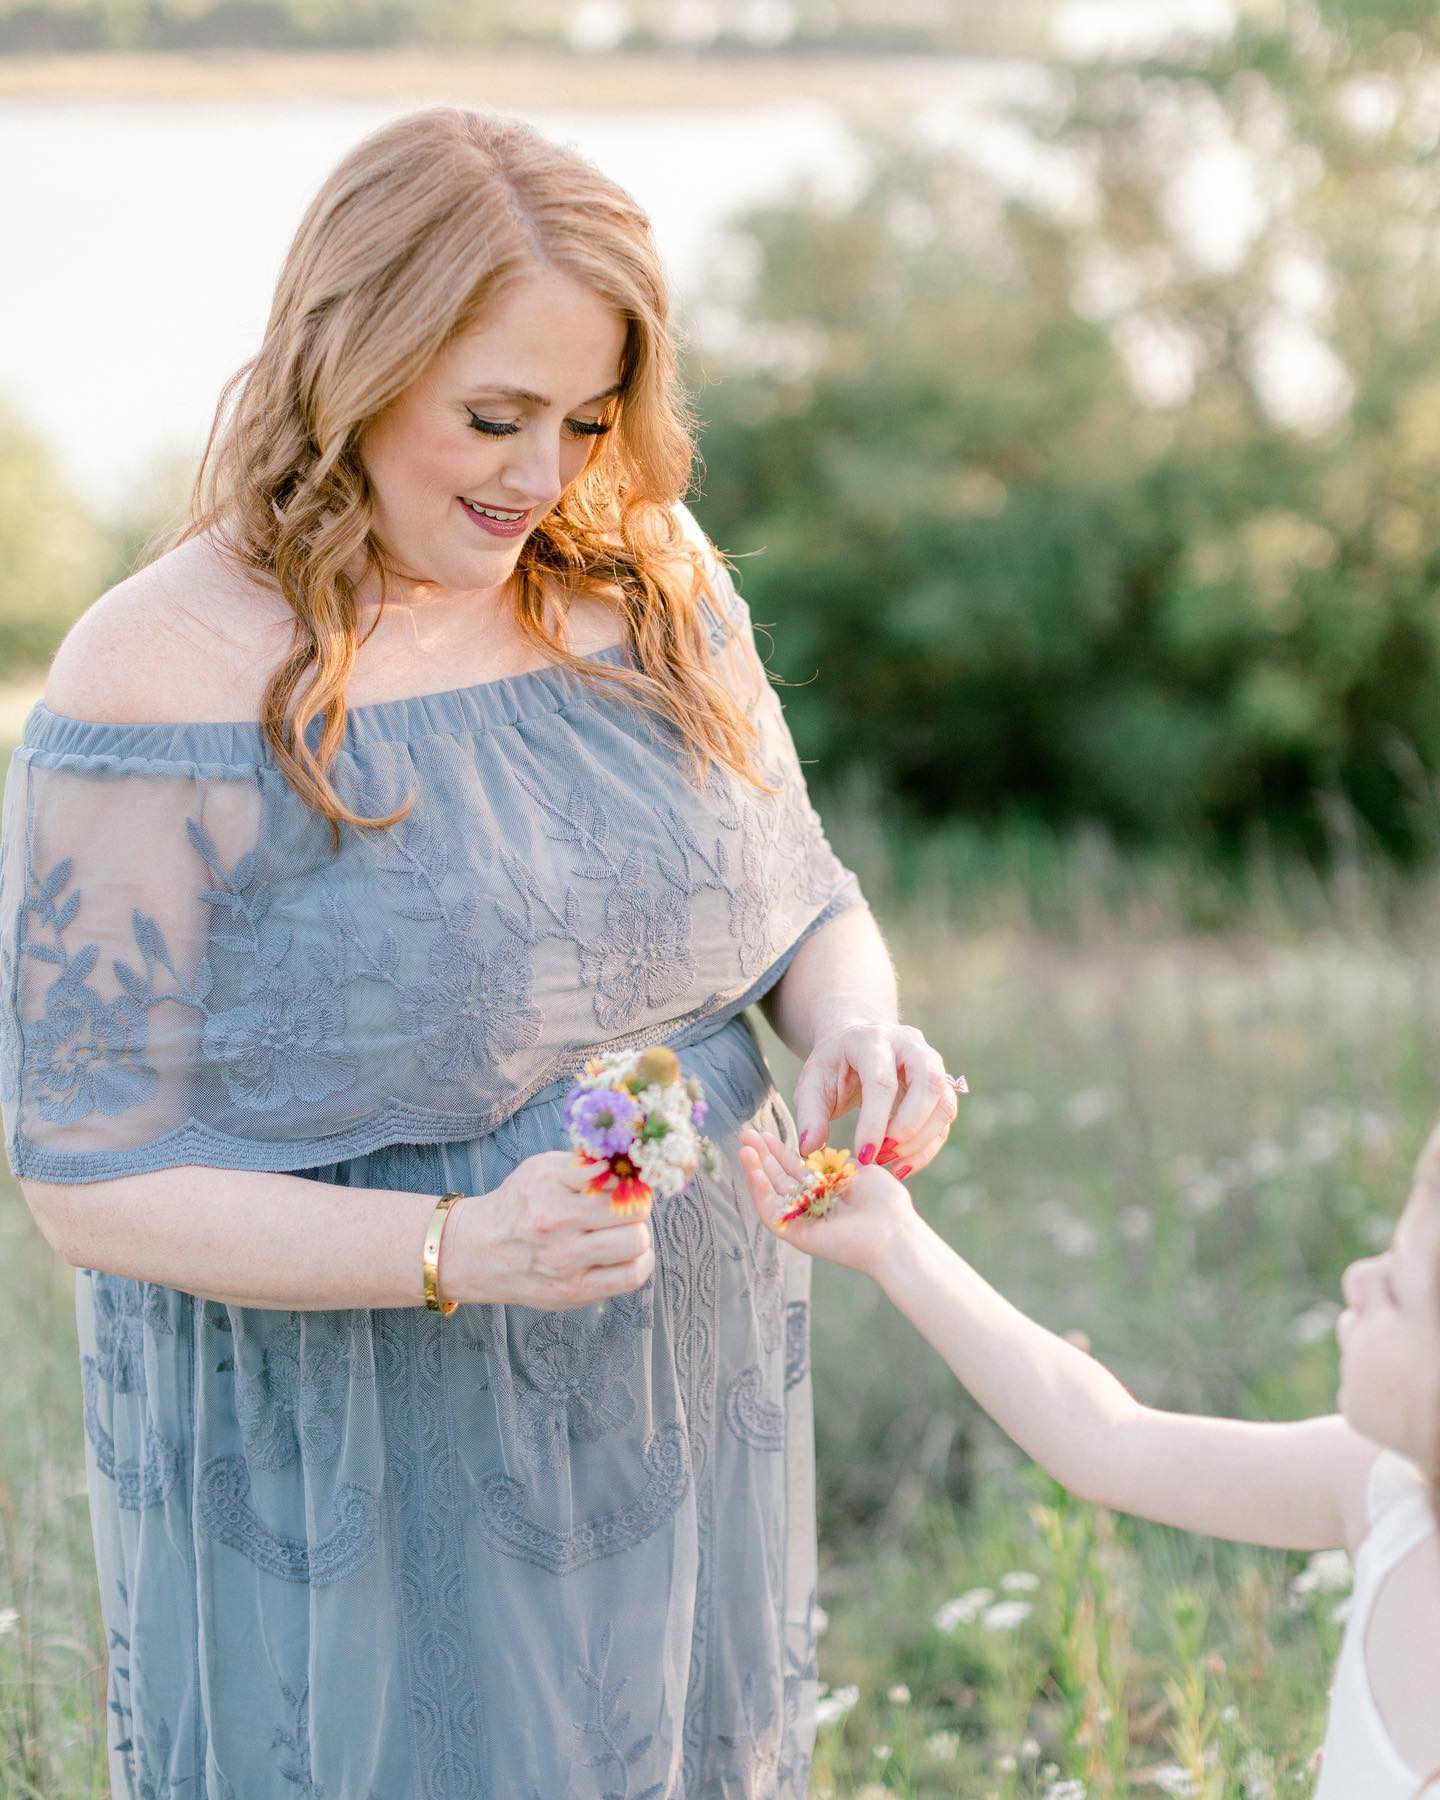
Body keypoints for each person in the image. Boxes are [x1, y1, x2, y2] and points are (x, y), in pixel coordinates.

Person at [0, 108, 963, 1798]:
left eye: (589, 419)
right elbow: (90, 1176)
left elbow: (804, 906)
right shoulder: (157, 672)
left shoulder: (651, 589)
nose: (542, 476)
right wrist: (458, 1242)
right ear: (350, 366)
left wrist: (857, 1031)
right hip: (361, 1455)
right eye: (494, 416)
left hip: (686, 1406)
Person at [739, 1123, 1440, 1796]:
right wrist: (895, 1242)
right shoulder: (1379, 1484)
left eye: (1398, 1286)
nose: (1357, 1277)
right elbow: (1108, 1441)